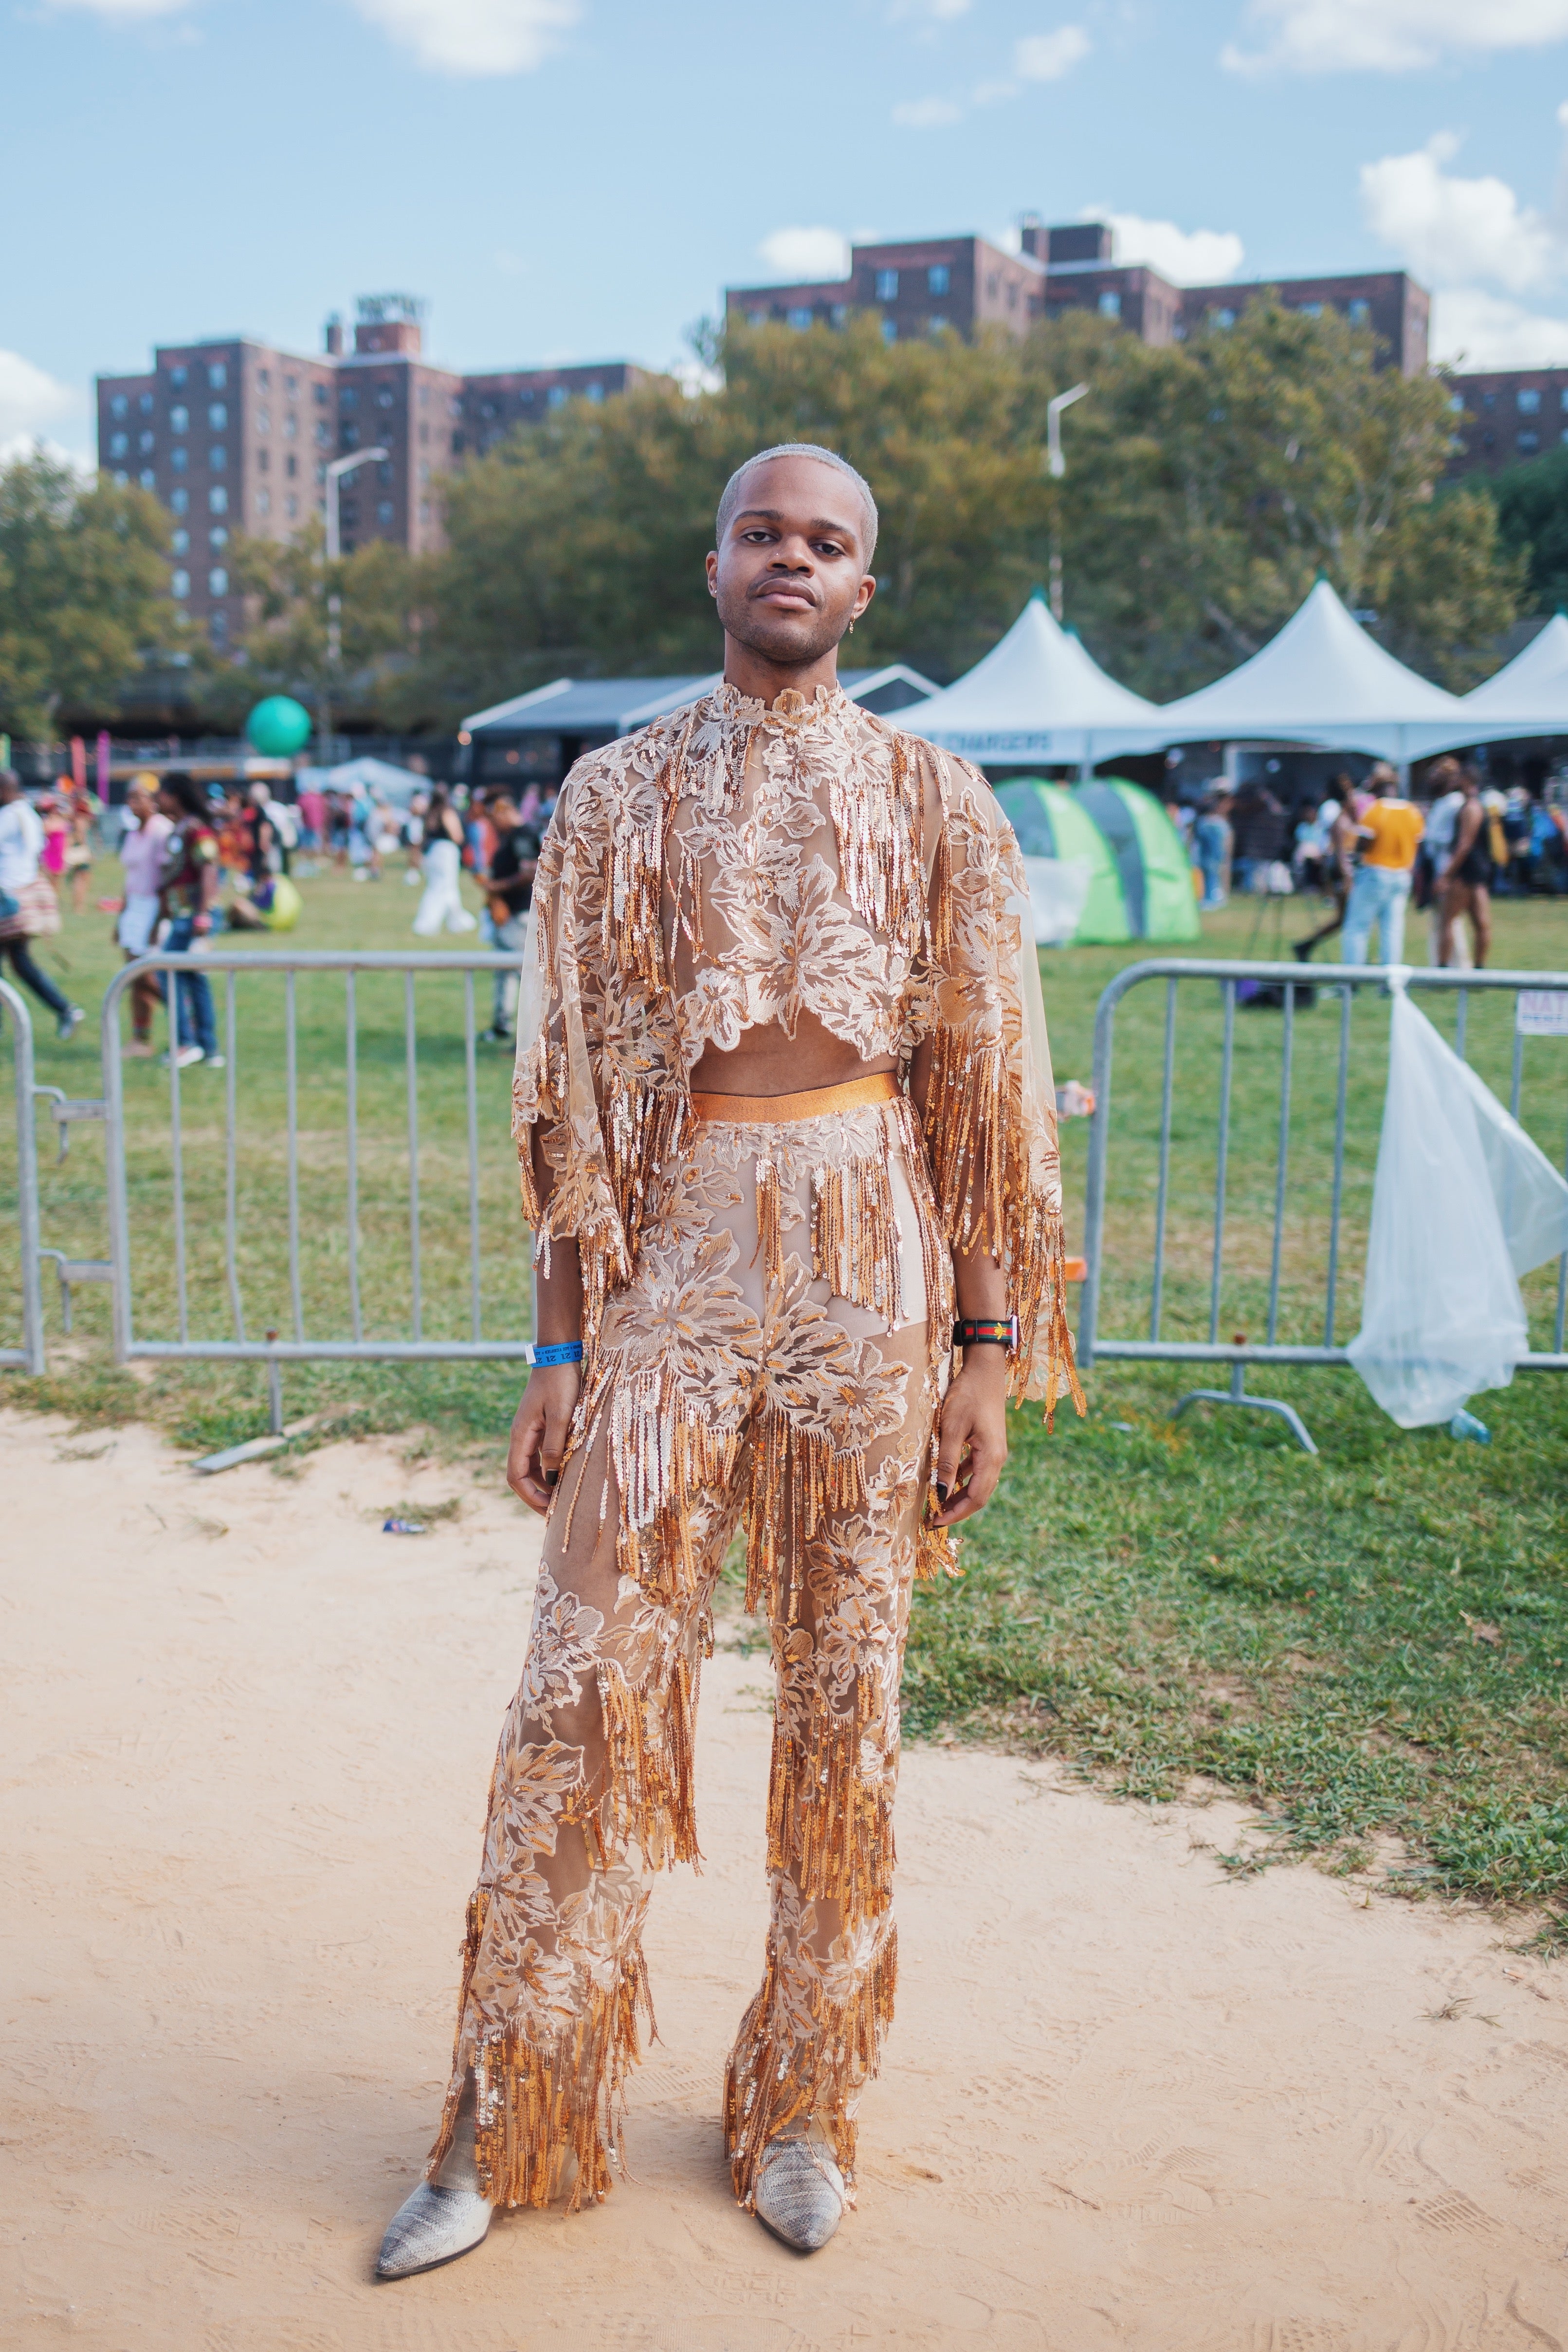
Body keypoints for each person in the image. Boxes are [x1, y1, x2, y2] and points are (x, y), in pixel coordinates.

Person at [375, 442, 1082, 2283]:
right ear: (713, 569)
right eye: (763, 531)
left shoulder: (938, 800)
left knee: (846, 1698)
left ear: (862, 592)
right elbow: (569, 1105)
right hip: (669, 1267)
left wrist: (986, 1357)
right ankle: (513, 2106)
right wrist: (554, 1342)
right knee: (585, 1680)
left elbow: (988, 1102)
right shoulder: (610, 795)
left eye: (826, 541)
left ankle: (798, 2105)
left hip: (873, 1271)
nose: (792, 557)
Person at [0, 771, 83, 1039]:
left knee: (19, 963)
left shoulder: (16, 815)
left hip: (10, 899)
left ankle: (65, 1010)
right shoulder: (20, 813)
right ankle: (65, 1009)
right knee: (21, 964)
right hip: (12, 897)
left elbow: (33, 853)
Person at [155, 772, 222, 1068]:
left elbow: (208, 868)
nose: (157, 798)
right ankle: (208, 1048)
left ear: (175, 796)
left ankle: (187, 1042)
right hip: (186, 913)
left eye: (161, 793)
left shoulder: (196, 830)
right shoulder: (183, 828)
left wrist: (203, 915)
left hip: (194, 914)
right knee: (194, 978)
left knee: (166, 973)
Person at [1340, 766, 1423, 967]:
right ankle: (1390, 981)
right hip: (1402, 874)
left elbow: (1364, 843)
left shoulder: (1375, 810)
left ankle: (1351, 979)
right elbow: (1418, 844)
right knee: (1393, 930)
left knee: (1358, 927)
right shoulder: (1412, 812)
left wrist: (1354, 857)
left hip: (1375, 872)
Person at [115, 772, 173, 1056]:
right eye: (130, 797)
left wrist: (158, 920)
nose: (132, 803)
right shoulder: (133, 832)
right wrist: (121, 915)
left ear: (154, 801)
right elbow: (131, 876)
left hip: (152, 908)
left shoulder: (161, 831)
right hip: (134, 907)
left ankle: (185, 1021)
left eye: (139, 797)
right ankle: (141, 1037)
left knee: (147, 975)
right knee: (134, 978)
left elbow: (165, 880)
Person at [479, 792, 543, 1042]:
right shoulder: (514, 836)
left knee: (524, 975)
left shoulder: (522, 836)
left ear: (504, 810)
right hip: (512, 915)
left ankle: (531, 1035)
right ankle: (502, 1025)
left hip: (521, 913)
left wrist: (497, 887)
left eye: (493, 817)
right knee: (506, 971)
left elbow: (530, 871)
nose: (492, 823)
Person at [1438, 766, 1494, 969]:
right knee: (1481, 923)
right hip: (1479, 870)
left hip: (1466, 872)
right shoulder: (1476, 805)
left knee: (1448, 920)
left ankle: (1442, 968)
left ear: (1466, 780)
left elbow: (1464, 845)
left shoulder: (1470, 807)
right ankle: (1479, 968)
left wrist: (1446, 875)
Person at [1420, 757, 1471, 970]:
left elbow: (1443, 837)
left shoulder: (1454, 803)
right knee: (1444, 920)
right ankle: (1453, 965)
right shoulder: (1444, 802)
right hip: (1437, 864)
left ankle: (1450, 966)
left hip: (1446, 866)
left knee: (1448, 920)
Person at [411, 788, 477, 936]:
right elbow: (457, 836)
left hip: (431, 853)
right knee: (442, 887)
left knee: (445, 887)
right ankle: (428, 922)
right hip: (446, 852)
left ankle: (456, 920)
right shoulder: (446, 812)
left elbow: (422, 837)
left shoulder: (430, 814)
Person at [1194, 786, 1232, 909]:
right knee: (1214, 869)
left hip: (1207, 852)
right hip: (1214, 851)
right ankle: (1213, 898)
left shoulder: (1204, 820)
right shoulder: (1217, 823)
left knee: (1210, 870)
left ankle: (1210, 897)